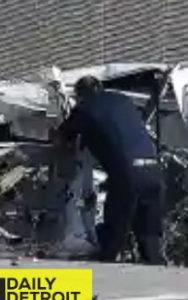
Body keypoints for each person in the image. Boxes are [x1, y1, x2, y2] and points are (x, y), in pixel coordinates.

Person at [55, 75, 165, 264]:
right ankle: (159, 280)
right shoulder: (123, 100)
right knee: (149, 237)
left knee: (115, 233)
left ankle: (105, 277)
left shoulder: (85, 108)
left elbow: (62, 137)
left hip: (127, 174)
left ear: (80, 95)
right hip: (154, 170)